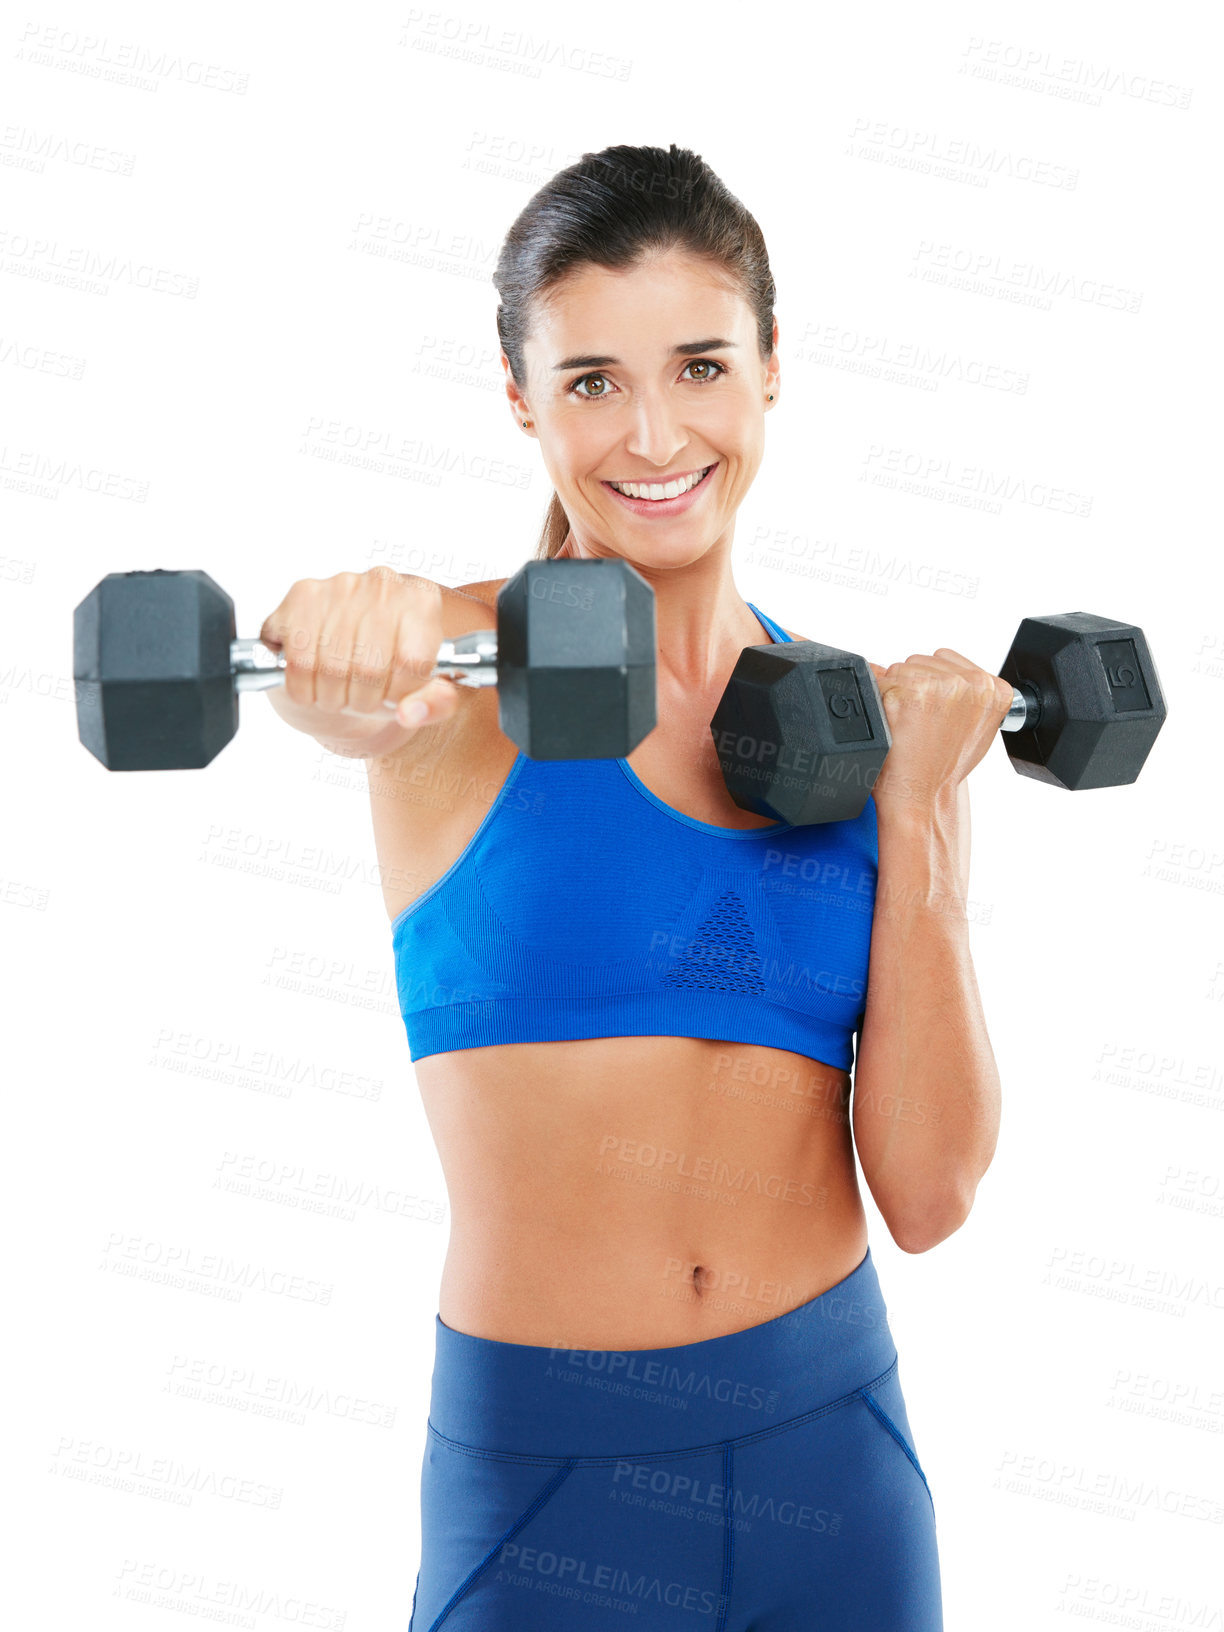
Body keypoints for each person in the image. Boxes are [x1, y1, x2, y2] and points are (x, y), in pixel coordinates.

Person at [261, 143, 1010, 1631]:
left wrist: (920, 807)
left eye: (700, 364)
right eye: (592, 380)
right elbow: (340, 689)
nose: (654, 431)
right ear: (520, 396)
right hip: (550, 1487)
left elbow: (927, 1194)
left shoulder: (862, 735)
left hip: (834, 1463)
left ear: (772, 372)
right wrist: (329, 638)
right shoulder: (458, 674)